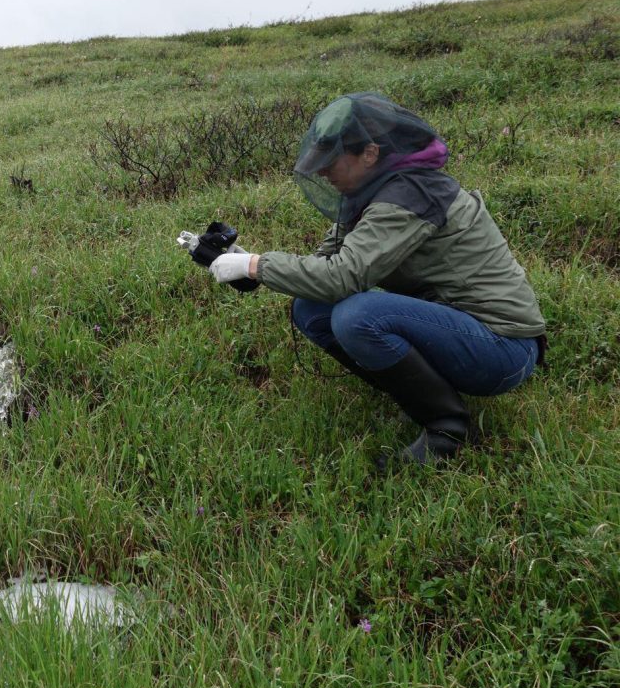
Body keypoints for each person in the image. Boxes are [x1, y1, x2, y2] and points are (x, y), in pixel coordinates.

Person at [199, 92, 546, 466]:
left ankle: (449, 431)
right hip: (457, 328)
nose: (322, 173)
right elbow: (321, 269)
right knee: (310, 308)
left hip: (502, 347)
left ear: (370, 153)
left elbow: (341, 278)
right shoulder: (370, 193)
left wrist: (257, 265)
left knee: (358, 315)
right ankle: (419, 396)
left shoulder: (409, 194)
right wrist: (244, 263)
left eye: (331, 162)